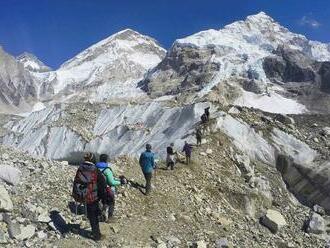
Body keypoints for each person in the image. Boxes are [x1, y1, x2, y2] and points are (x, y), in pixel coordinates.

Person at [72, 153, 106, 241]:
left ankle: (96, 232)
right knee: (94, 216)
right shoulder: (95, 170)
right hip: (93, 196)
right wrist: (103, 198)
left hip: (83, 195)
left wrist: (76, 194)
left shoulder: (80, 168)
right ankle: (97, 236)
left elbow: (76, 182)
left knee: (91, 215)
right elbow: (102, 184)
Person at [96, 154, 126, 223]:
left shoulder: (95, 168)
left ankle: (100, 214)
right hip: (106, 189)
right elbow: (111, 182)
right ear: (106, 160)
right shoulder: (107, 170)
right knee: (111, 202)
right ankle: (110, 217)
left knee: (102, 201)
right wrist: (120, 182)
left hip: (97, 189)